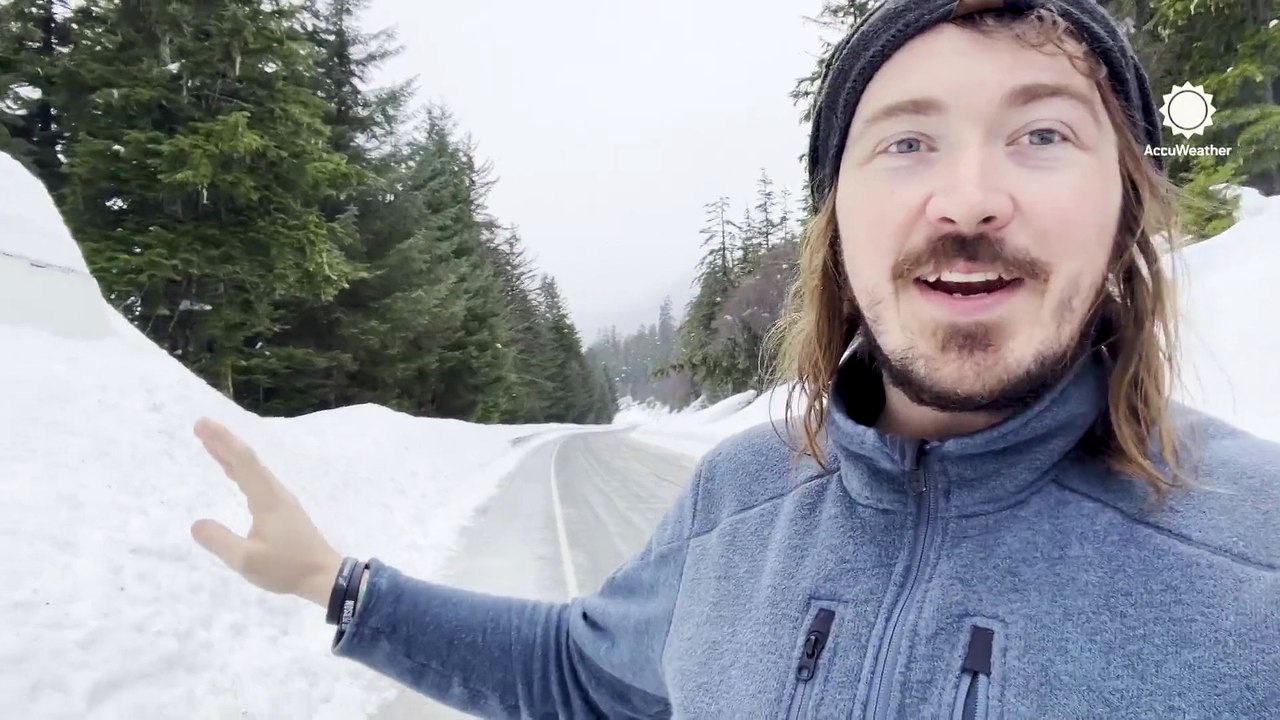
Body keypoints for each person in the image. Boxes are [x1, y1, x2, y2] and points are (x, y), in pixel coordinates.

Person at [190, 0, 1280, 717]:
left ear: (1125, 204)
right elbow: (580, 670)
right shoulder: (735, 500)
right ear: (836, 223)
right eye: (903, 140)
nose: (968, 198)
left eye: (1041, 134)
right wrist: (336, 586)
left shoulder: (1256, 558)